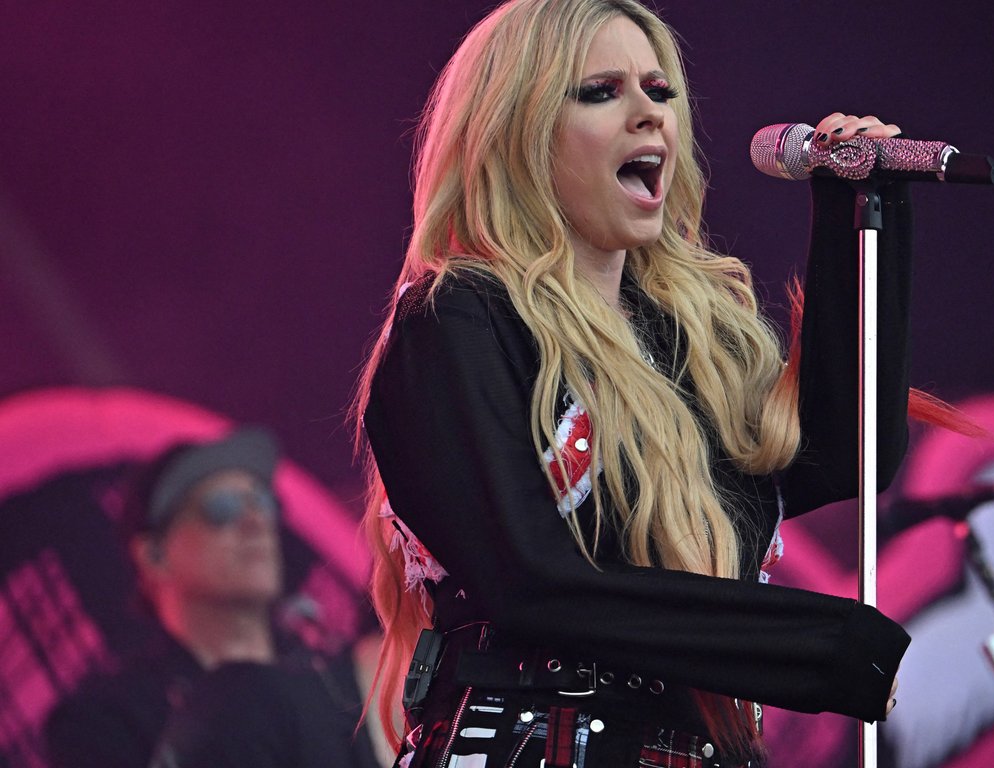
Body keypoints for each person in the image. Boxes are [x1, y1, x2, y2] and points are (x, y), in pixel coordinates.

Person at [353, 1, 925, 765]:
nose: (650, 114)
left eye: (660, 91)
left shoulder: (684, 347)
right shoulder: (458, 318)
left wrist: (858, 213)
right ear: (518, 131)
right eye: (601, 91)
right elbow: (531, 578)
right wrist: (821, 646)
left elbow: (846, 455)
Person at [43, 428, 383, 768]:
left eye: (263, 502)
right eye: (222, 507)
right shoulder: (105, 721)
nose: (255, 520)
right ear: (154, 555)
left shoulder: (336, 679)